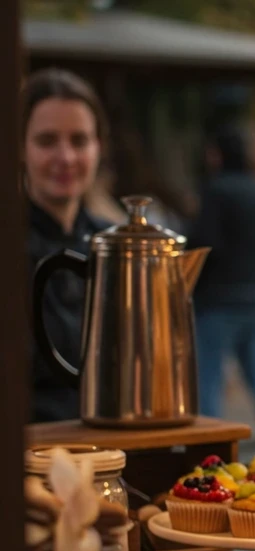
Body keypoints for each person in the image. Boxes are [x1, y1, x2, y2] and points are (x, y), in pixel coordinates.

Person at [188, 126, 255, 452]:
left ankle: (211, 449)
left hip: (219, 300)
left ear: (217, 154)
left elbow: (204, 243)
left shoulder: (216, 190)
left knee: (210, 380)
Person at [23, 68, 110, 422]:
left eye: (79, 140)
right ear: (17, 146)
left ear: (98, 147)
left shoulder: (113, 243)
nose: (66, 157)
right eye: (47, 141)